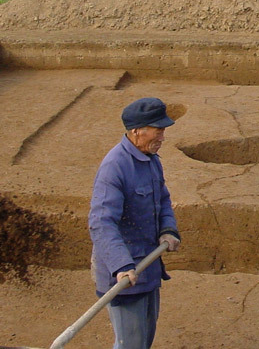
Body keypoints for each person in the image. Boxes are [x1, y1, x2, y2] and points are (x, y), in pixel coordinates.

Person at [89, 97, 181, 349]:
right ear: (136, 131)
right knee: (130, 344)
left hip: (148, 268)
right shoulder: (114, 168)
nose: (162, 136)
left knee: (144, 339)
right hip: (124, 276)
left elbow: (162, 198)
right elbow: (101, 223)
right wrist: (121, 264)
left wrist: (167, 229)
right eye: (158, 130)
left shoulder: (151, 160)